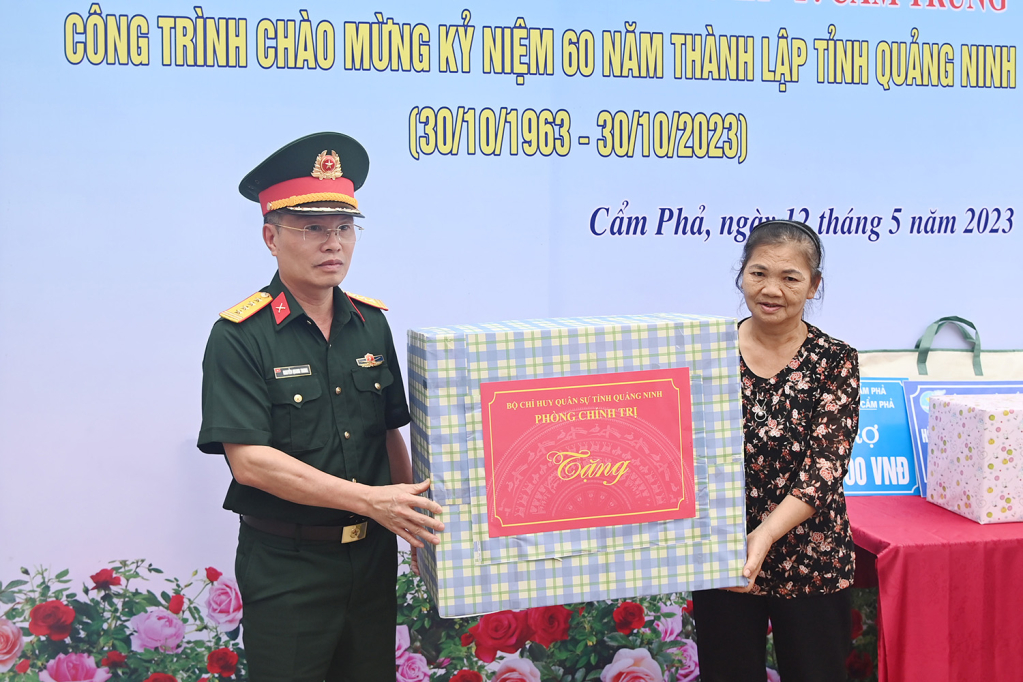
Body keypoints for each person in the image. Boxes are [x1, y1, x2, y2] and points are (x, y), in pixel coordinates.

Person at [197, 132, 444, 682]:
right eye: (312, 228)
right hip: (290, 566)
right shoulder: (240, 336)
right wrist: (372, 501)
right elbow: (250, 462)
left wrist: (412, 523)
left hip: (371, 560)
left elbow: (387, 434)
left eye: (344, 227)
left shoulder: (370, 322)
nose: (333, 243)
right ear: (270, 236)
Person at [692, 220, 859, 682]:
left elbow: (824, 468)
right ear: (741, 275)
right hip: (722, 554)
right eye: (759, 273)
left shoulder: (836, 359)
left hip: (812, 557)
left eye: (790, 278)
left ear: (813, 286)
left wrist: (763, 536)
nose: (772, 289)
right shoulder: (707, 352)